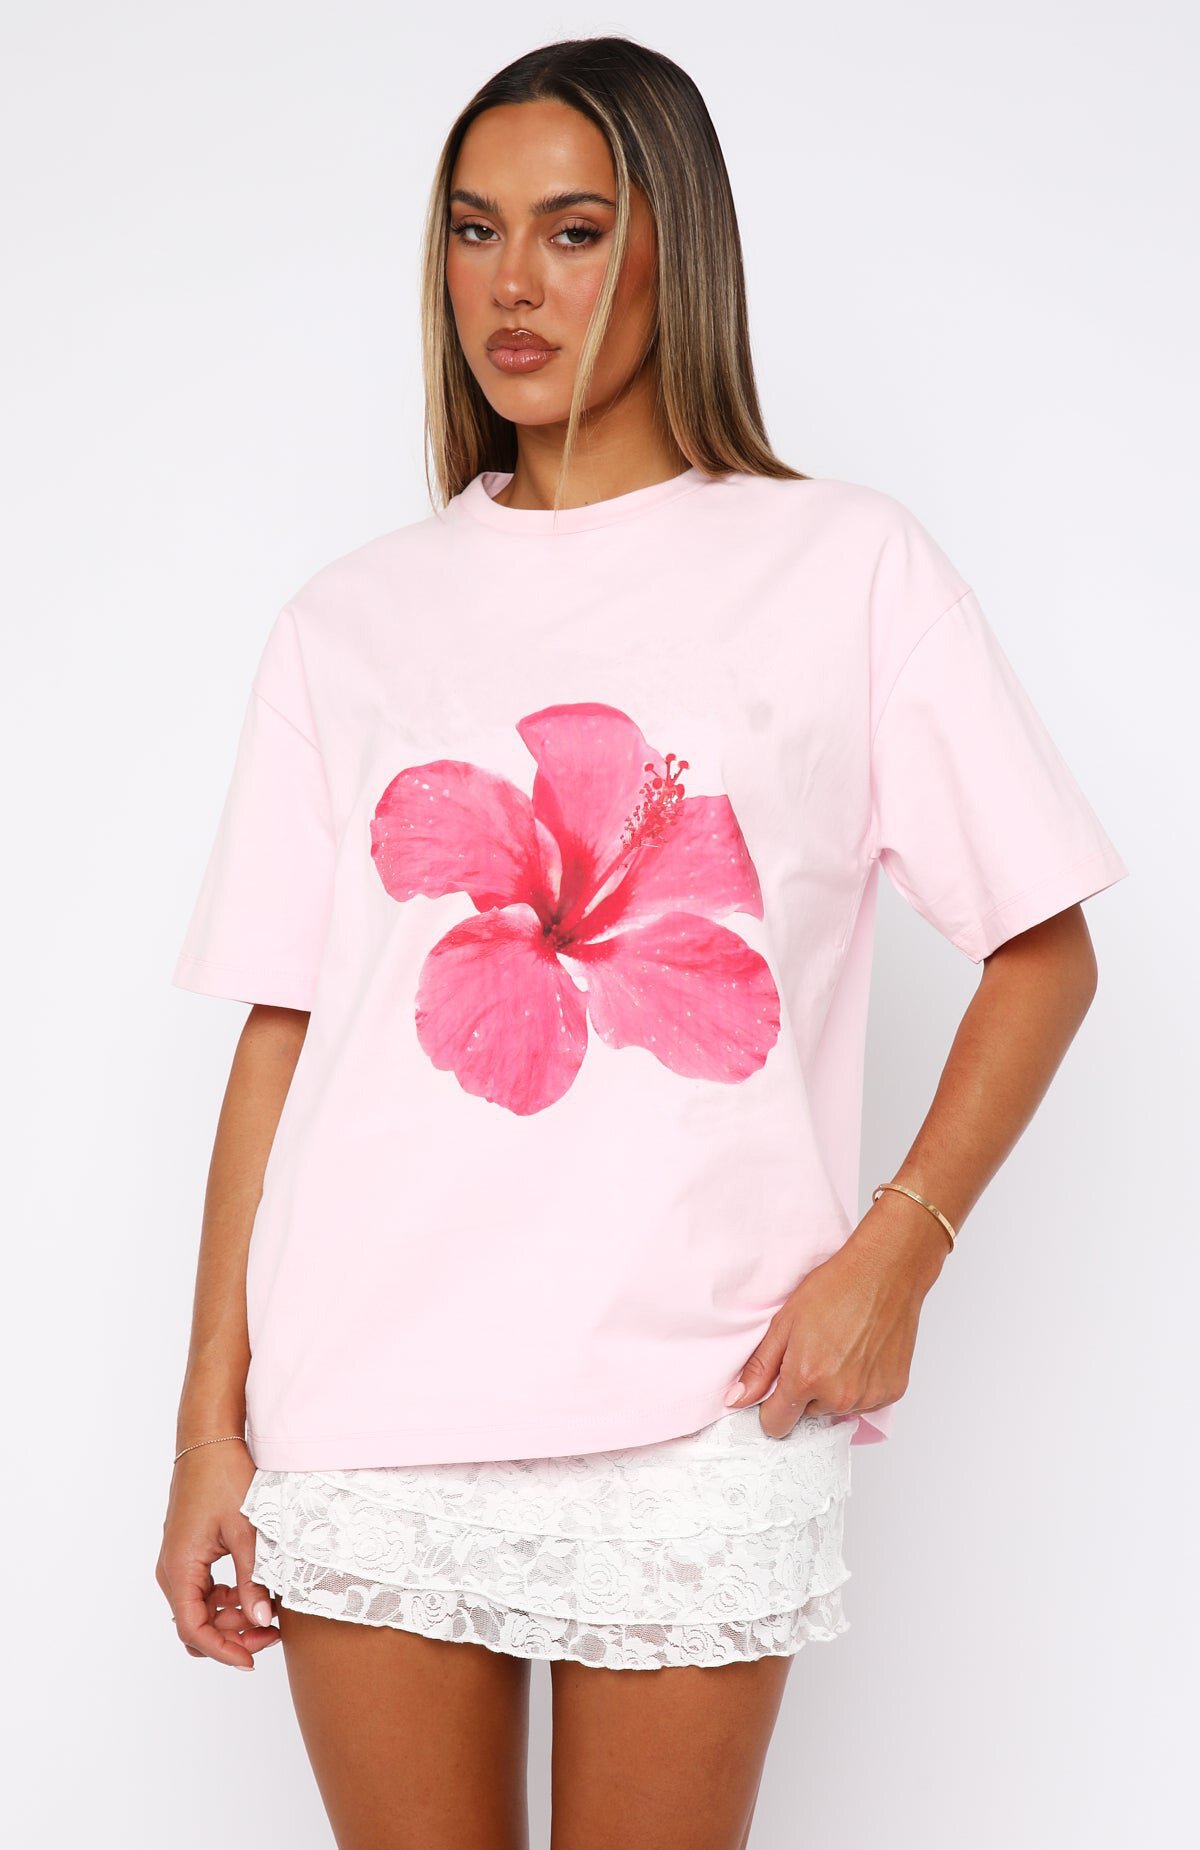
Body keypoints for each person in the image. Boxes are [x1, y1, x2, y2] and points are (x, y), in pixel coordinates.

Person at [156, 34, 1129, 1850]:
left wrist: (898, 1249)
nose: (512, 283)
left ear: (679, 246)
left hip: (699, 1403)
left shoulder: (846, 566)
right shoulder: (347, 621)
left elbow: (1044, 948)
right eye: (474, 230)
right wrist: (210, 1423)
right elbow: (287, 1032)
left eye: (575, 229)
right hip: (368, 1398)